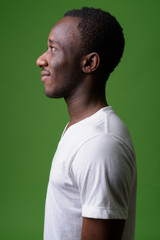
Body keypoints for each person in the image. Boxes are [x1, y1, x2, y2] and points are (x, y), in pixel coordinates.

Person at [36, 6, 137, 240]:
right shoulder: (83, 129)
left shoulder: (100, 144)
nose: (41, 59)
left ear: (89, 63)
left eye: (53, 49)